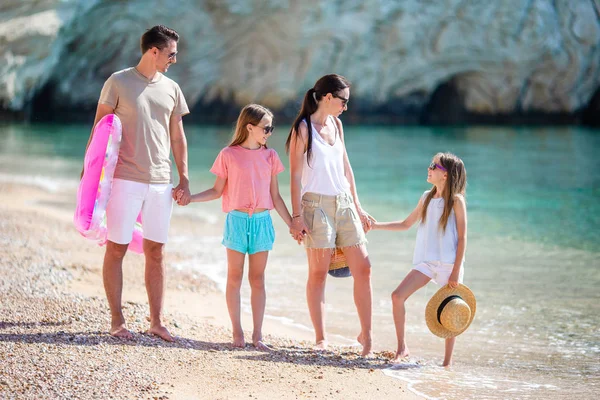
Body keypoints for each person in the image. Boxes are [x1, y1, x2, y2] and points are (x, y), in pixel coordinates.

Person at [81, 25, 190, 342]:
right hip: (124, 179)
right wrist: (89, 173)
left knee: (157, 251)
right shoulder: (118, 82)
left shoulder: (172, 88)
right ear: (153, 51)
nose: (174, 60)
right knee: (117, 248)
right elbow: (99, 128)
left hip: (160, 182)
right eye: (171, 54)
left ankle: (156, 321)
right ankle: (117, 320)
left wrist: (184, 177)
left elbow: (178, 136)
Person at [176, 104, 297, 350]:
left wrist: (292, 223)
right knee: (234, 277)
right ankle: (237, 332)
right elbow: (217, 191)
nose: (269, 133)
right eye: (266, 128)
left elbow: (276, 196)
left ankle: (258, 335)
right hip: (237, 222)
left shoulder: (271, 156)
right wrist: (191, 198)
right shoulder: (228, 154)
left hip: (262, 222)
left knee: (258, 279)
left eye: (271, 128)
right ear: (250, 127)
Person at [286, 74, 374, 357]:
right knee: (318, 273)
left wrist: (358, 207)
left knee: (364, 268)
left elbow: (347, 168)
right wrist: (296, 217)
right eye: (343, 101)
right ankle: (321, 338)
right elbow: (295, 176)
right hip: (316, 206)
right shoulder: (303, 129)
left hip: (344, 202)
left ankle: (367, 335)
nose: (346, 107)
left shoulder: (337, 125)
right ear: (327, 97)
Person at [371, 152, 467, 366]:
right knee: (397, 296)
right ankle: (402, 347)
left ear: (446, 175)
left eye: (434, 166)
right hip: (427, 262)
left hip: (449, 264)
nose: (429, 168)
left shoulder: (456, 201)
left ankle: (446, 363)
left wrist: (455, 271)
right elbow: (406, 224)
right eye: (431, 164)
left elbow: (462, 237)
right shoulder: (426, 197)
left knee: (451, 311)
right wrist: (375, 226)